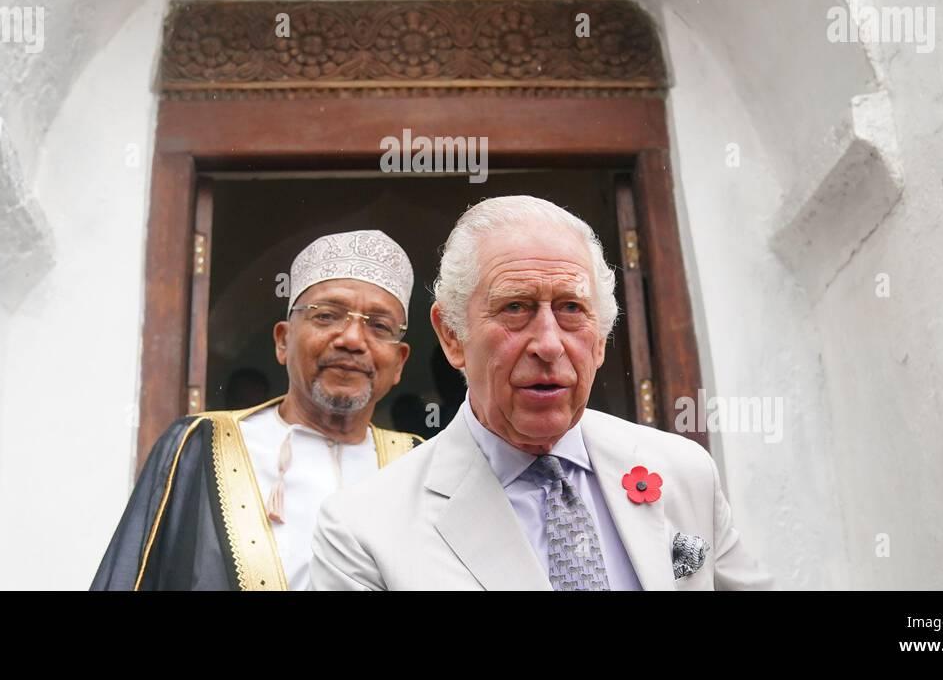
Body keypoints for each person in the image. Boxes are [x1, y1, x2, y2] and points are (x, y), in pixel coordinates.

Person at [310, 196, 774, 590]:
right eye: (515, 307)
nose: (549, 343)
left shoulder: (682, 471)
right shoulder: (362, 528)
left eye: (571, 308)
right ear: (452, 335)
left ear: (600, 339)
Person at [93, 229, 423, 590]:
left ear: (399, 363)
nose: (352, 340)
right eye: (327, 316)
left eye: (379, 326)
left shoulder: (420, 466)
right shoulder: (199, 446)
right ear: (283, 341)